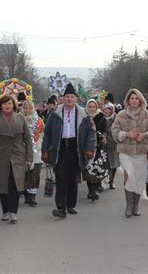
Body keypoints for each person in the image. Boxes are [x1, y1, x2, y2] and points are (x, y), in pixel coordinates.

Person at [42, 83, 96, 218]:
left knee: (73, 178)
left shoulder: (84, 114)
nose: (69, 99)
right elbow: (47, 133)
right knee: (61, 178)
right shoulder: (55, 114)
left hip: (76, 149)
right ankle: (61, 208)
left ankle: (71, 205)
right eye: (67, 97)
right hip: (60, 149)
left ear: (76, 99)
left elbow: (91, 133)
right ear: (63, 98)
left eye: (72, 97)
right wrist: (45, 150)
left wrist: (89, 149)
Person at [0, 95, 33, 224]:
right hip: (1, 156)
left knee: (14, 185)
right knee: (3, 185)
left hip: (17, 155)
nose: (7, 106)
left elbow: (27, 139)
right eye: (5, 104)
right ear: (0, 105)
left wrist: (29, 156)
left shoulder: (20, 118)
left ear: (14, 105)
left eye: (10, 104)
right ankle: (5, 210)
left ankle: (14, 212)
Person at [111, 89, 148, 218]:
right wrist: (126, 134)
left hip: (142, 153)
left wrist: (145, 135)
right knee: (130, 176)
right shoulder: (121, 114)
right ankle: (129, 205)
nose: (134, 101)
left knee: (140, 179)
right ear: (128, 100)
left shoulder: (147, 114)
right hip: (126, 152)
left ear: (140, 100)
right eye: (132, 98)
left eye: (137, 98)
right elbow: (114, 132)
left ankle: (136, 204)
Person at [83, 99, 109, 201]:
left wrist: (103, 136)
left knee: (96, 167)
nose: (92, 109)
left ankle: (94, 189)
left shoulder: (101, 117)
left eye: (94, 107)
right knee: (88, 168)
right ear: (87, 107)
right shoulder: (84, 117)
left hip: (98, 146)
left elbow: (104, 130)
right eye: (90, 107)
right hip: (86, 146)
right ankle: (91, 190)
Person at [22, 100, 45, 207]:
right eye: (26, 108)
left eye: (30, 108)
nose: (28, 110)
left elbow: (42, 134)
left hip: (36, 150)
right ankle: (26, 193)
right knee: (25, 174)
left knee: (35, 173)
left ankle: (32, 196)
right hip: (23, 151)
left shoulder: (39, 121)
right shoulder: (19, 119)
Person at [103, 102, 119, 189]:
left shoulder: (116, 119)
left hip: (114, 144)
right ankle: (105, 180)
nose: (107, 111)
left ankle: (111, 181)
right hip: (104, 143)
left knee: (114, 164)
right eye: (105, 109)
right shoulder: (100, 118)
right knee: (105, 164)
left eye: (109, 109)